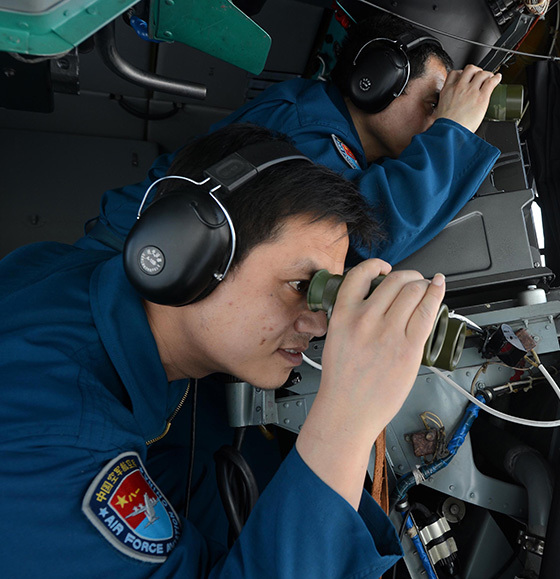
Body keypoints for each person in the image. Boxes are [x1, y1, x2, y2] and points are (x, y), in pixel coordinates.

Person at [0, 123, 445, 578]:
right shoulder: (63, 451)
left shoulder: (53, 270)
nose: (319, 325)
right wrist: (348, 418)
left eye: (321, 294)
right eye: (299, 286)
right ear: (185, 253)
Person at [81, 13, 502, 264]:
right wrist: (455, 131)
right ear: (377, 82)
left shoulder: (332, 136)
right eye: (433, 102)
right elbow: (366, 234)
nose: (437, 118)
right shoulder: (305, 124)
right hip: (123, 266)